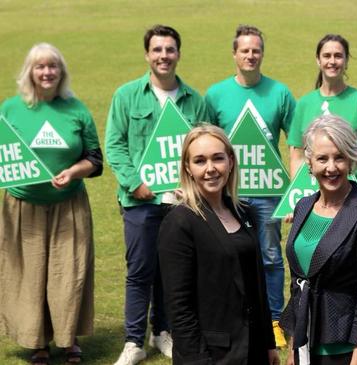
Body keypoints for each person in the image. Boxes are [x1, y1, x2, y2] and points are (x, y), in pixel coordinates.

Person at [105, 25, 210, 365]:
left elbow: (207, 147)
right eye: (157, 50)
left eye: (170, 49)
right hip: (140, 202)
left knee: (172, 271)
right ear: (147, 54)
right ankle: (133, 341)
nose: (164, 56)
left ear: (178, 53)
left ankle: (162, 331)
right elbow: (115, 144)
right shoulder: (127, 95)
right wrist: (135, 183)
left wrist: (193, 185)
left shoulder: (196, 100)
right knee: (140, 270)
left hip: (182, 204)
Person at [0, 43, 103, 365]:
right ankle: (37, 343)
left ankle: (68, 340)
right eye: (40, 67)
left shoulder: (77, 109)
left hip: (68, 205)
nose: (47, 73)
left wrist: (74, 171)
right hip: (22, 207)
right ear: (29, 72)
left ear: (61, 72)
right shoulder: (10, 109)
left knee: (68, 273)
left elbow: (95, 160)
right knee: (28, 276)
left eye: (53, 67)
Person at [204, 24, 295, 348]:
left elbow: (296, 142)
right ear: (234, 54)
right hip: (229, 195)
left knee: (270, 256)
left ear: (262, 53)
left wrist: (293, 193)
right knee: (229, 255)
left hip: (269, 193)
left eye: (256, 50)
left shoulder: (279, 93)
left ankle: (272, 320)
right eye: (245, 50)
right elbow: (204, 143)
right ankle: (235, 314)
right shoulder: (216, 95)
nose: (250, 55)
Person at [158, 124, 279, 365]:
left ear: (231, 161)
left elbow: (257, 286)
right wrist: (197, 360)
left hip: (253, 348)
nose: (210, 169)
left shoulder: (246, 212)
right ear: (188, 168)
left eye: (218, 158)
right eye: (200, 161)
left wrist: (268, 343)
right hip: (211, 355)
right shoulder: (179, 222)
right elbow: (179, 307)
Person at [280, 115, 357, 365]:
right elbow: (299, 282)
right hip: (305, 345)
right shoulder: (303, 206)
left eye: (339, 157)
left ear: (351, 160)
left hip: (343, 351)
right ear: (309, 163)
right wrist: (294, 350)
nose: (331, 167)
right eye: (322, 158)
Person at [287, 34, 357, 200]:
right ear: (318, 60)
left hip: (354, 194)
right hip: (314, 196)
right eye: (326, 56)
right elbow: (297, 156)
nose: (332, 61)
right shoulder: (304, 103)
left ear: (346, 61)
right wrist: (296, 197)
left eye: (338, 56)